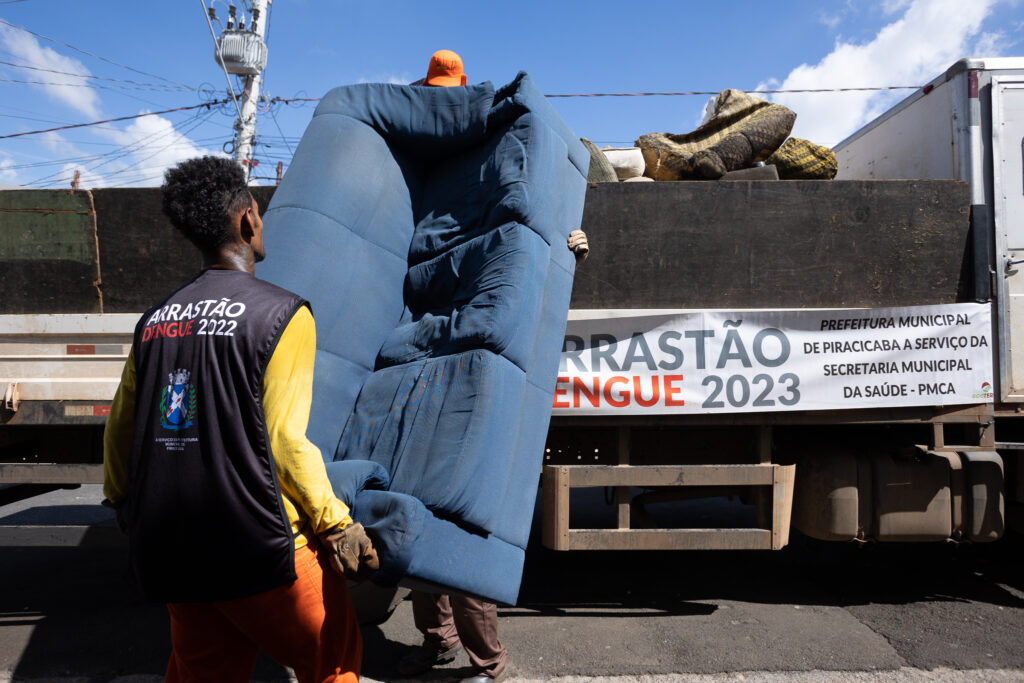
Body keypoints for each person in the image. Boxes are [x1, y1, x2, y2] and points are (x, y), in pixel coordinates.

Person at [102, 156, 377, 683]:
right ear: (247, 221)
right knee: (333, 666)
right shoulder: (282, 314)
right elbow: (284, 442)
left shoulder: (157, 319)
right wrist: (338, 525)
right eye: (261, 213)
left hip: (176, 550)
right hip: (264, 550)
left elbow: (120, 429)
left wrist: (121, 500)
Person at [398, 53, 589, 683]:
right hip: (422, 356)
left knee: (461, 527)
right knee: (419, 526)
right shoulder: (423, 163)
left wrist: (565, 253)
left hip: (470, 372)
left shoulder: (494, 156)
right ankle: (440, 642)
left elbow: (519, 254)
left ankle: (490, 661)